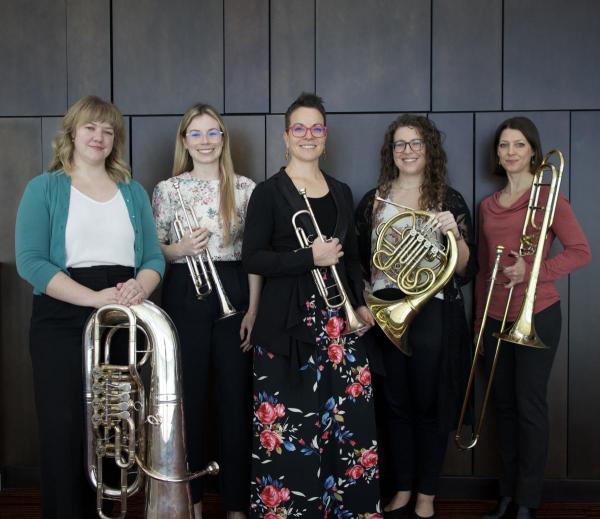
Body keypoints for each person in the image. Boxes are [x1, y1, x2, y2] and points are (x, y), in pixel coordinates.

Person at [14, 95, 165, 519]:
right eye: (90, 128)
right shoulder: (43, 188)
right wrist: (94, 298)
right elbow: (31, 262)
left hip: (121, 316)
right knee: (63, 429)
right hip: (62, 314)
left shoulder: (131, 191)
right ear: (72, 133)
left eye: (108, 130)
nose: (99, 137)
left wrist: (140, 285)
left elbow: (153, 258)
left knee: (114, 429)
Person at [242, 92, 381, 518]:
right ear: (286, 137)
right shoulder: (268, 193)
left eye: (316, 128)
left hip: (339, 326)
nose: (308, 136)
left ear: (325, 136)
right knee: (292, 429)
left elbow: (353, 258)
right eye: (298, 128)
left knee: (347, 427)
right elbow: (254, 258)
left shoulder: (340, 191)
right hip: (288, 328)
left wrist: (361, 304)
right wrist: (309, 258)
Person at [355, 114, 477, 519]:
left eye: (416, 143)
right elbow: (359, 263)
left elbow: (464, 269)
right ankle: (403, 488)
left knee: (429, 405)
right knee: (395, 406)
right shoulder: (374, 200)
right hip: (386, 311)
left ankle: (427, 493)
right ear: (391, 152)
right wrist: (364, 302)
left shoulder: (448, 199)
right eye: (400, 144)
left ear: (429, 150)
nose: (407, 151)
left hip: (431, 313)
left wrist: (453, 233)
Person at [475, 117, 591, 519]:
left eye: (519, 145)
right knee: (503, 408)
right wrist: (479, 326)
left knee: (528, 405)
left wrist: (532, 269)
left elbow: (580, 251)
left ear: (533, 151)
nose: (510, 152)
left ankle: (527, 499)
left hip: (537, 313)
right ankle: (506, 494)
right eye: (504, 145)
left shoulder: (550, 198)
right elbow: (483, 269)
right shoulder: (487, 206)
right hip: (495, 317)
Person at [152, 103, 260, 519]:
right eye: (196, 134)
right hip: (185, 290)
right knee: (190, 401)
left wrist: (252, 308)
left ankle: (235, 505)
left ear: (223, 139)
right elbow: (154, 248)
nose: (205, 142)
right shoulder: (167, 189)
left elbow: (253, 256)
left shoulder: (246, 188)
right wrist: (180, 249)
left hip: (232, 286)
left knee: (236, 400)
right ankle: (193, 503)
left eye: (213, 133)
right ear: (185, 141)